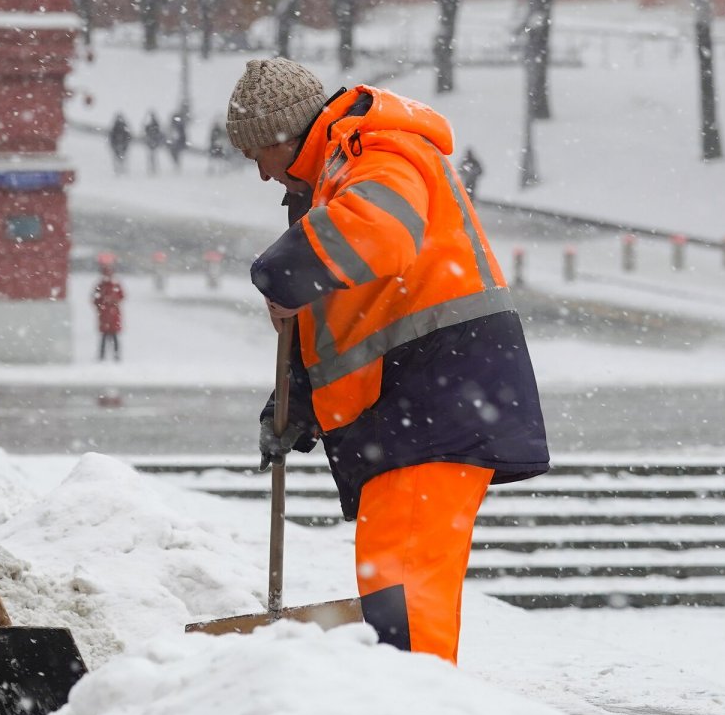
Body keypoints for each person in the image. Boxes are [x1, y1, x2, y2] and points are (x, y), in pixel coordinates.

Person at [227, 57, 549, 664]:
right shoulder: (334, 176)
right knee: (395, 595)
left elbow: (383, 232)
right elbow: (354, 317)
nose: (264, 177)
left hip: (435, 400)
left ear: (280, 138)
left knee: (404, 600)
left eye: (256, 159)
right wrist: (296, 402)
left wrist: (279, 274)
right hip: (417, 405)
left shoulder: (374, 151)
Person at [92, 255, 125, 361]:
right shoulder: (104, 285)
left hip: (108, 314)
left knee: (110, 337)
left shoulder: (104, 285)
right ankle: (110, 355)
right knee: (107, 337)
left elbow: (121, 296)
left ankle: (109, 355)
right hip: (107, 314)